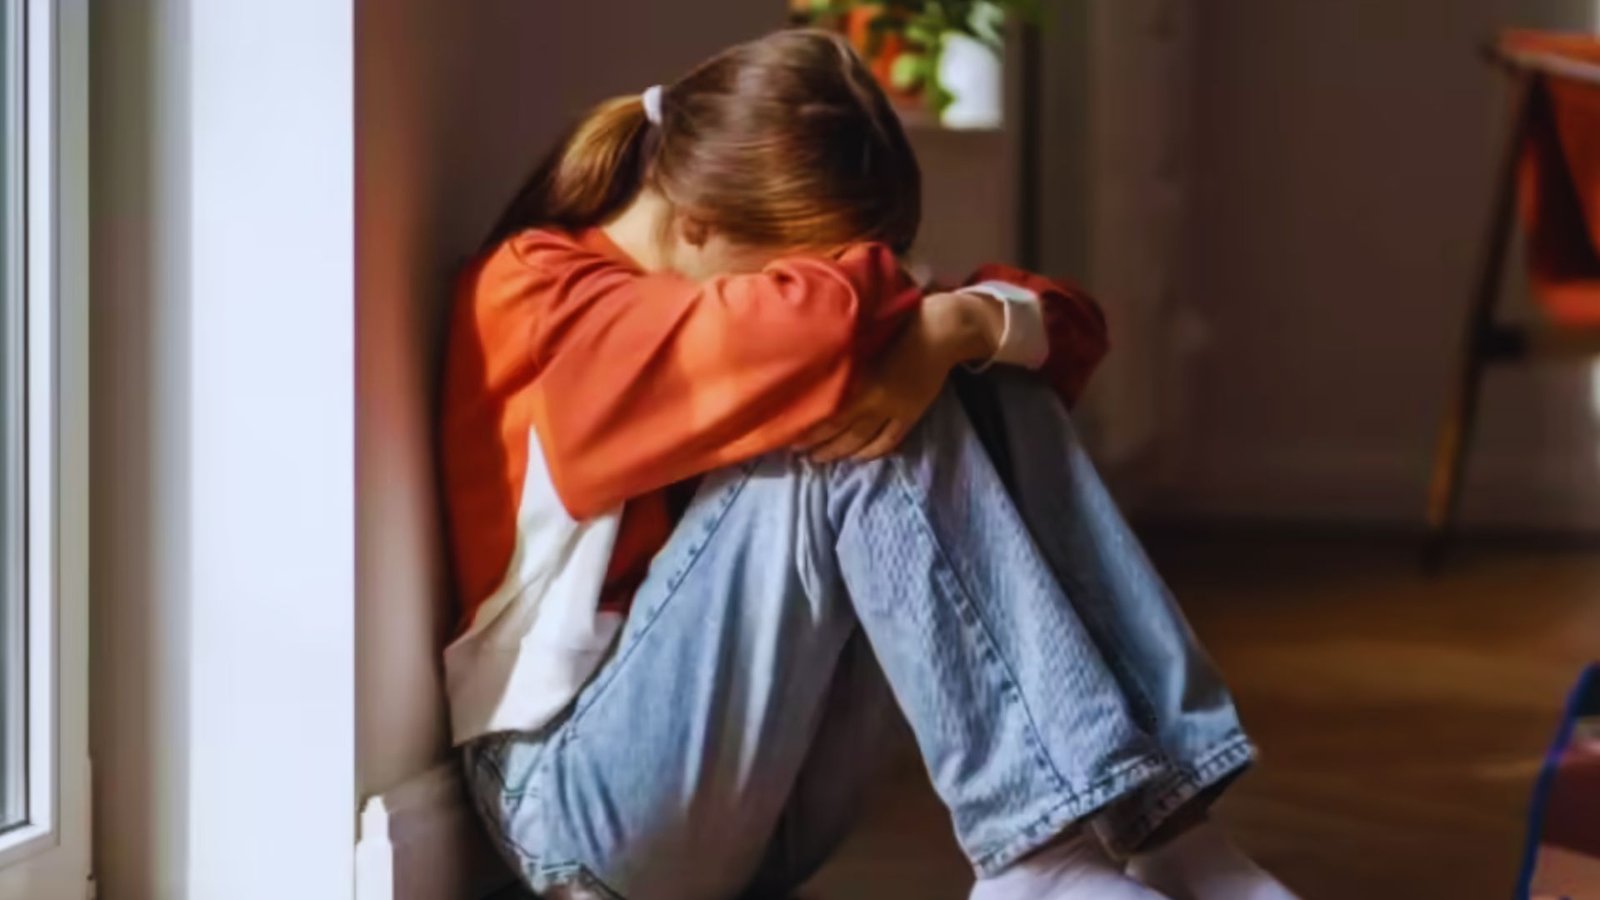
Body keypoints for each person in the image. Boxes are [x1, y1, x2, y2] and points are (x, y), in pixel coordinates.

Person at [440, 28, 1296, 900]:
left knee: (968, 373)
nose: (840, 282)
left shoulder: (747, 311)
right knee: (858, 405)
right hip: (577, 814)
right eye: (813, 267)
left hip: (758, 812)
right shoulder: (542, 294)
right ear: (696, 222)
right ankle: (1038, 860)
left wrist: (961, 329)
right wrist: (928, 323)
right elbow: (821, 328)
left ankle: (1170, 829)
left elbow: (1070, 332)